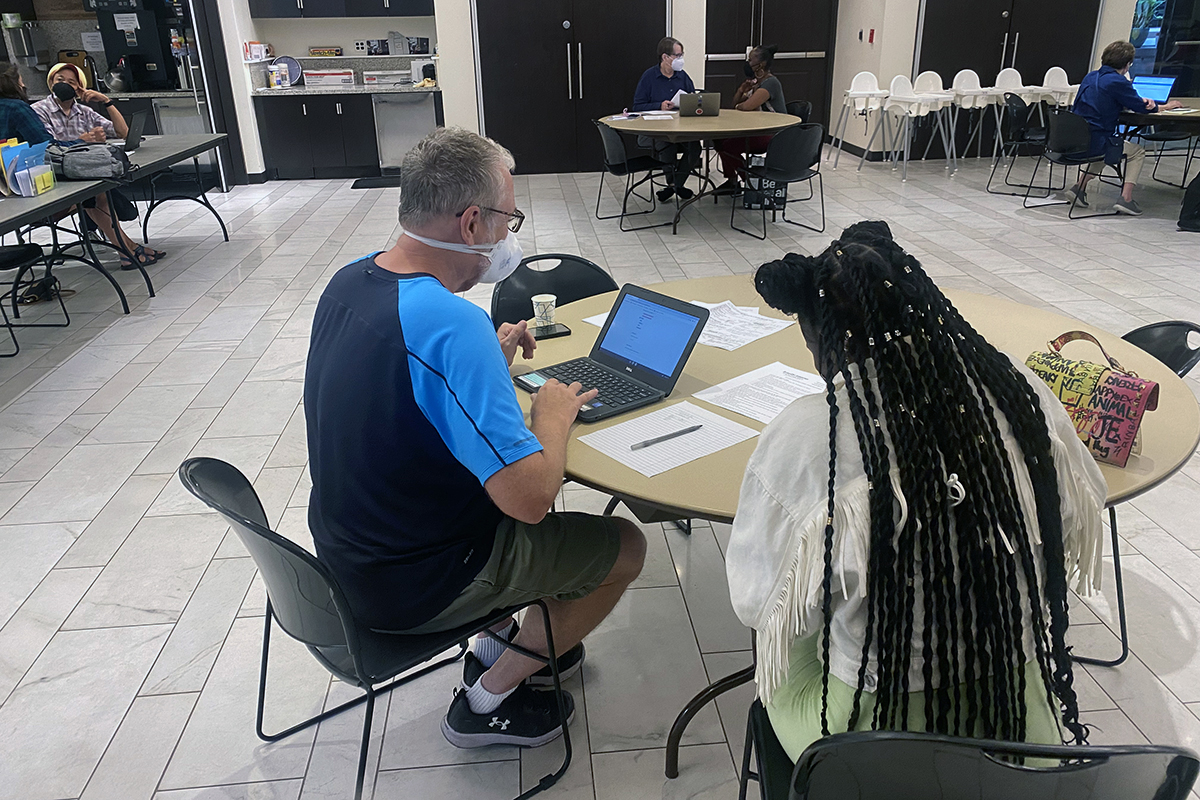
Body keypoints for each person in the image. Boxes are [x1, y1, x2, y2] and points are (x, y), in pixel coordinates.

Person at [304, 127, 646, 749]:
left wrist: (483, 361)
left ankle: (501, 639)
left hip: (347, 556)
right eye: (506, 219)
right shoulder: (452, 322)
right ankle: (490, 697)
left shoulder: (351, 280)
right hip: (414, 583)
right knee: (624, 547)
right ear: (470, 223)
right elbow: (530, 501)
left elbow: (397, 390)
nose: (508, 238)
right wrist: (551, 415)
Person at [725, 221, 1105, 761]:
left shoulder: (811, 437)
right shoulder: (1022, 393)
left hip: (875, 743)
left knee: (785, 643)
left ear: (822, 335)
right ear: (924, 304)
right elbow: (1071, 522)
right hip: (1018, 716)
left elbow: (759, 603)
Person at [31, 63, 165, 269]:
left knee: (101, 190)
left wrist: (106, 101)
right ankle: (126, 250)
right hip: (56, 175)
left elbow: (123, 133)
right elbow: (48, 146)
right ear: (51, 83)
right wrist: (83, 140)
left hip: (84, 173)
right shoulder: (39, 110)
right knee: (97, 196)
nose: (65, 85)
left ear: (80, 88)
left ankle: (128, 247)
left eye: (71, 82)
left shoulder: (84, 112)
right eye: (59, 80)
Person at [1063, 41, 1183, 216]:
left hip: (1077, 139)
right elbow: (1141, 108)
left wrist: (1131, 101)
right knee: (1136, 152)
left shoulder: (1091, 76)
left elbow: (1104, 98)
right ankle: (1126, 199)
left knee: (1110, 147)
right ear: (1127, 65)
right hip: (1095, 141)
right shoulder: (1118, 81)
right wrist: (1166, 106)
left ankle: (1079, 188)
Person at [632, 37, 701, 201]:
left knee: (695, 147)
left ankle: (674, 185)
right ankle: (675, 186)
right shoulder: (649, 77)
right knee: (666, 145)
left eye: (682, 55)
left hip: (680, 128)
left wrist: (692, 102)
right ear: (665, 57)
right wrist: (659, 105)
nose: (680, 59)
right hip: (654, 131)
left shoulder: (682, 76)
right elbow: (637, 106)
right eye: (677, 55)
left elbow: (693, 98)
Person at [714, 45, 787, 195]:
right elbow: (735, 105)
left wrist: (742, 104)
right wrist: (741, 91)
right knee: (719, 139)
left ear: (761, 64)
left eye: (750, 60)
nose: (747, 63)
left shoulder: (770, 83)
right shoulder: (757, 84)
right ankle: (732, 182)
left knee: (729, 147)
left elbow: (746, 107)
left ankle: (751, 181)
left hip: (773, 134)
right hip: (759, 129)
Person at [0, 63, 50, 144]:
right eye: (21, 81)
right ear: (13, 84)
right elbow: (44, 143)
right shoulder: (17, 108)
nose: (24, 85)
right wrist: (77, 142)